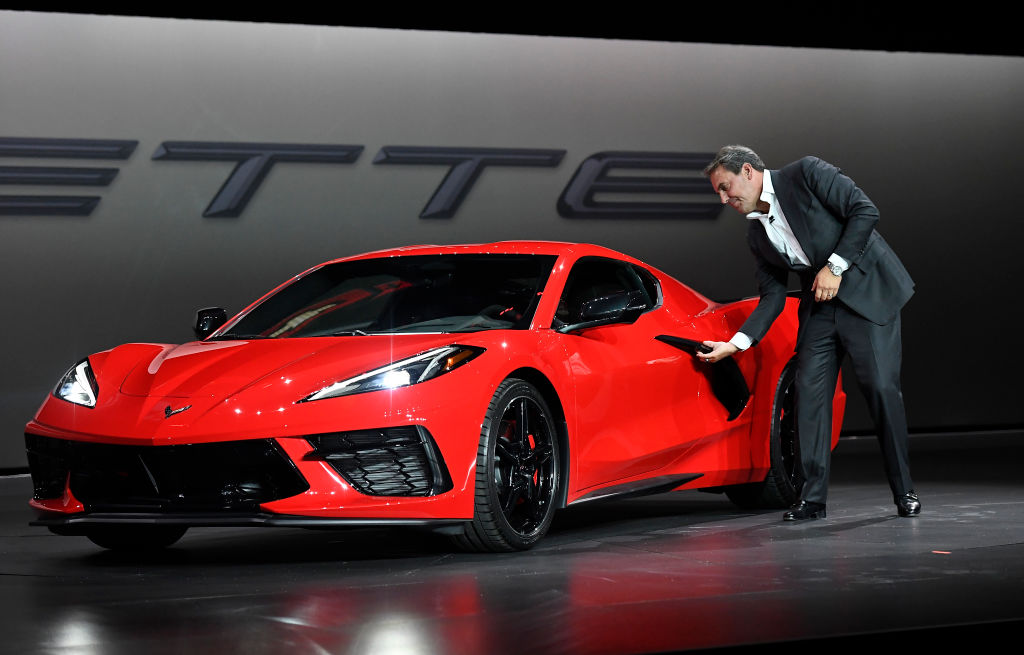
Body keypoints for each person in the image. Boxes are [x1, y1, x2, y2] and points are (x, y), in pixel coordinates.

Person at [699, 145, 920, 521]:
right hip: (820, 308)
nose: (723, 199)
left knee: (881, 389)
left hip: (866, 294)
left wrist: (835, 267)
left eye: (725, 187)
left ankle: (904, 490)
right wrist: (735, 344)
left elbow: (864, 211)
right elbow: (772, 297)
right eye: (718, 192)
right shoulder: (757, 234)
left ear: (748, 171)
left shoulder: (806, 174)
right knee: (808, 396)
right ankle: (812, 498)